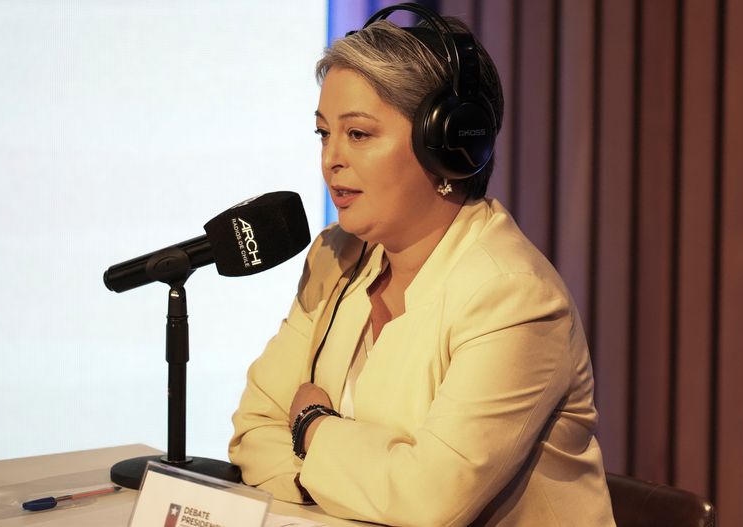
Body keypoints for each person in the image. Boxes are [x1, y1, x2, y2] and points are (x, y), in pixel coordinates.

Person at [229, 4, 616, 526]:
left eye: (359, 134)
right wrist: (331, 481)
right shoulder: (335, 256)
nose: (331, 159)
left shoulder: (513, 295)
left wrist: (312, 426)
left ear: (447, 146)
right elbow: (253, 428)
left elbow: (429, 502)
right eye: (324, 133)